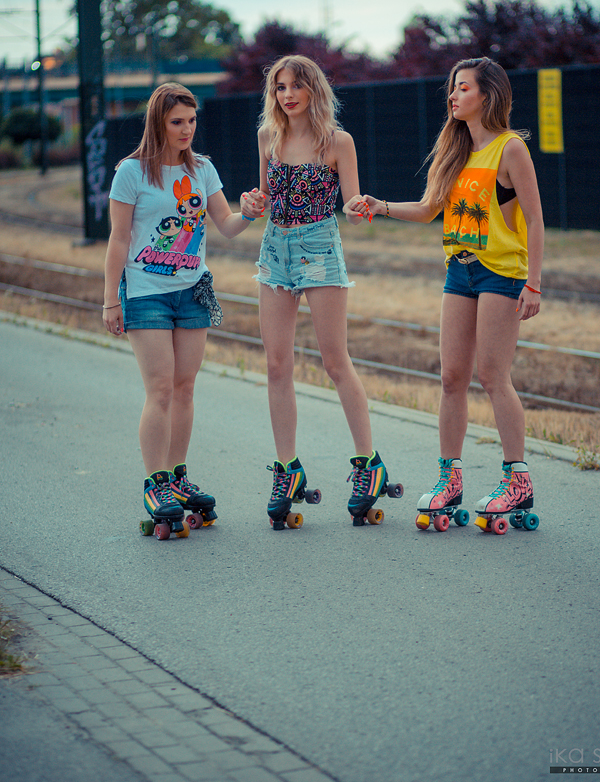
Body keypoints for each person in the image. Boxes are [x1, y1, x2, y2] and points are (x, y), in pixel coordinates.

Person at [348, 57, 544, 529]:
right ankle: (449, 479)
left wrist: (534, 282)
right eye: (452, 89)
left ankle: (517, 479)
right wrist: (380, 206)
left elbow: (536, 219)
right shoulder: (455, 149)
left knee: (493, 376)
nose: (453, 96)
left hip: (501, 273)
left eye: (463, 88)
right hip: (460, 271)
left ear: (487, 95)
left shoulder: (510, 148)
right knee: (451, 377)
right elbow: (429, 208)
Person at [102, 82, 260, 538]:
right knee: (160, 389)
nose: (187, 129)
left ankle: (176, 476)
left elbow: (225, 224)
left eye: (192, 120)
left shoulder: (202, 169)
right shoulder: (131, 172)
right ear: (159, 122)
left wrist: (249, 212)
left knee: (185, 388)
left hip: (193, 291)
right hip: (145, 293)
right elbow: (118, 238)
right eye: (177, 122)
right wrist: (111, 298)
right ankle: (156, 484)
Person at [251, 55, 396, 530]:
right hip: (275, 249)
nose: (288, 95)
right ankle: (287, 470)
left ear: (314, 89)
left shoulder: (337, 141)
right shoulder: (268, 138)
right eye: (280, 87)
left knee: (335, 360)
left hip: (319, 246)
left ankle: (368, 463)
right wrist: (252, 202)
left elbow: (352, 206)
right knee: (277, 364)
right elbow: (266, 198)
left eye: (296, 86)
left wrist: (359, 208)